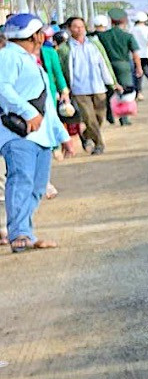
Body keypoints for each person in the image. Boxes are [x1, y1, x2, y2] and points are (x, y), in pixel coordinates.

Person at [1, 14, 69, 252]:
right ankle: (19, 233)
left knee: (37, 186)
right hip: (19, 135)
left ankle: (24, 230)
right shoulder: (8, 56)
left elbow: (47, 105)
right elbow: (2, 88)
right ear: (34, 36)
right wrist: (27, 112)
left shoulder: (30, 60)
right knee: (21, 180)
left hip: (41, 136)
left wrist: (62, 136)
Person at [55, 16, 118, 154]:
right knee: (89, 118)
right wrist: (63, 89)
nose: (79, 29)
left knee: (100, 117)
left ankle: (86, 135)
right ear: (70, 29)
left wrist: (113, 82)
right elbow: (60, 71)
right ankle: (99, 144)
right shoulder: (64, 49)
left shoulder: (94, 44)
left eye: (82, 26)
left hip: (98, 86)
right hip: (79, 89)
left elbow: (105, 62)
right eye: (76, 26)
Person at [97, 13, 138, 118]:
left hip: (107, 66)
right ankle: (123, 117)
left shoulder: (103, 36)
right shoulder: (128, 36)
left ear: (111, 21)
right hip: (124, 65)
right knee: (125, 90)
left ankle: (109, 114)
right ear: (124, 22)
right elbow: (135, 54)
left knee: (109, 89)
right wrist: (139, 67)